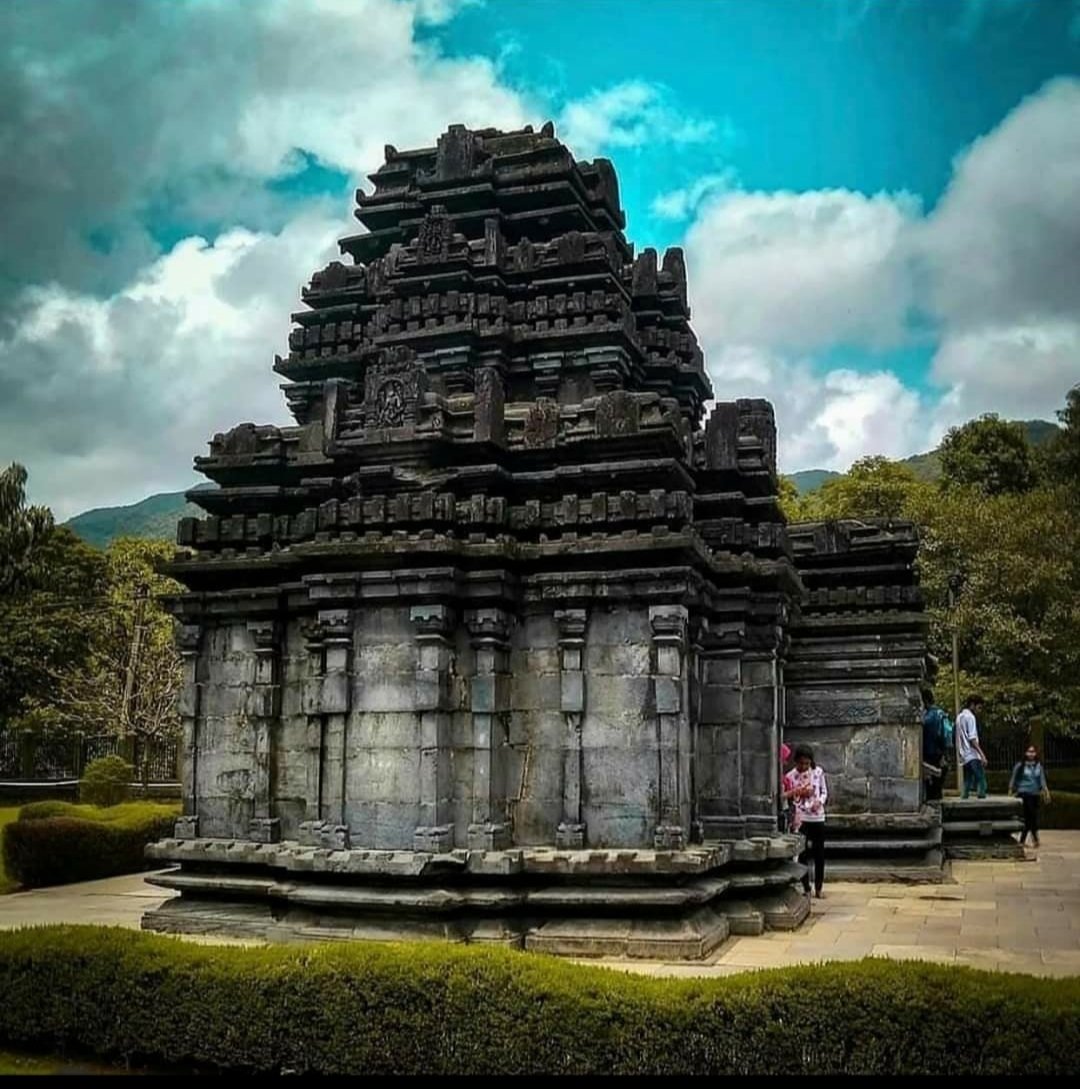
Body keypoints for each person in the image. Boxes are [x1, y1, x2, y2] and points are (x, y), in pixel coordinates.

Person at [783, 744, 828, 899]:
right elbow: (788, 798)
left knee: (819, 853)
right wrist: (799, 793)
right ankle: (806, 887)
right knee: (802, 854)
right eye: (801, 763)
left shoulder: (818, 772)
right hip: (801, 818)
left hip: (817, 817)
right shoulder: (790, 776)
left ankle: (819, 887)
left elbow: (824, 792)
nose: (804, 767)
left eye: (807, 764)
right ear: (796, 762)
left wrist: (819, 802)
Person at [1009, 744, 1051, 848]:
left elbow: (1042, 779)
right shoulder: (1020, 765)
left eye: (1033, 752)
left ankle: (1024, 840)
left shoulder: (1038, 766)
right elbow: (1013, 778)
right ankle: (1035, 839)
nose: (1031, 754)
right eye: (1029, 751)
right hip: (1024, 793)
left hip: (1035, 793)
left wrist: (1046, 791)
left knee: (1031, 818)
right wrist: (1010, 790)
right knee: (1031, 815)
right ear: (1025, 753)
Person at [956, 694, 988, 800]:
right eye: (979, 707)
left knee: (968, 779)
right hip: (972, 754)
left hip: (963, 754)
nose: (979, 710)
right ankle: (981, 797)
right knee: (981, 779)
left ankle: (964, 797)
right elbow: (972, 739)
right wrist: (982, 755)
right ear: (972, 705)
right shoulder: (970, 717)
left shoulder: (959, 717)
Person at [921, 687, 950, 802]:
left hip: (929, 751)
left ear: (925, 701)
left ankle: (933, 804)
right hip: (939, 751)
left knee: (931, 781)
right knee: (938, 782)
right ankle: (937, 800)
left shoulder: (928, 717)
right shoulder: (940, 713)